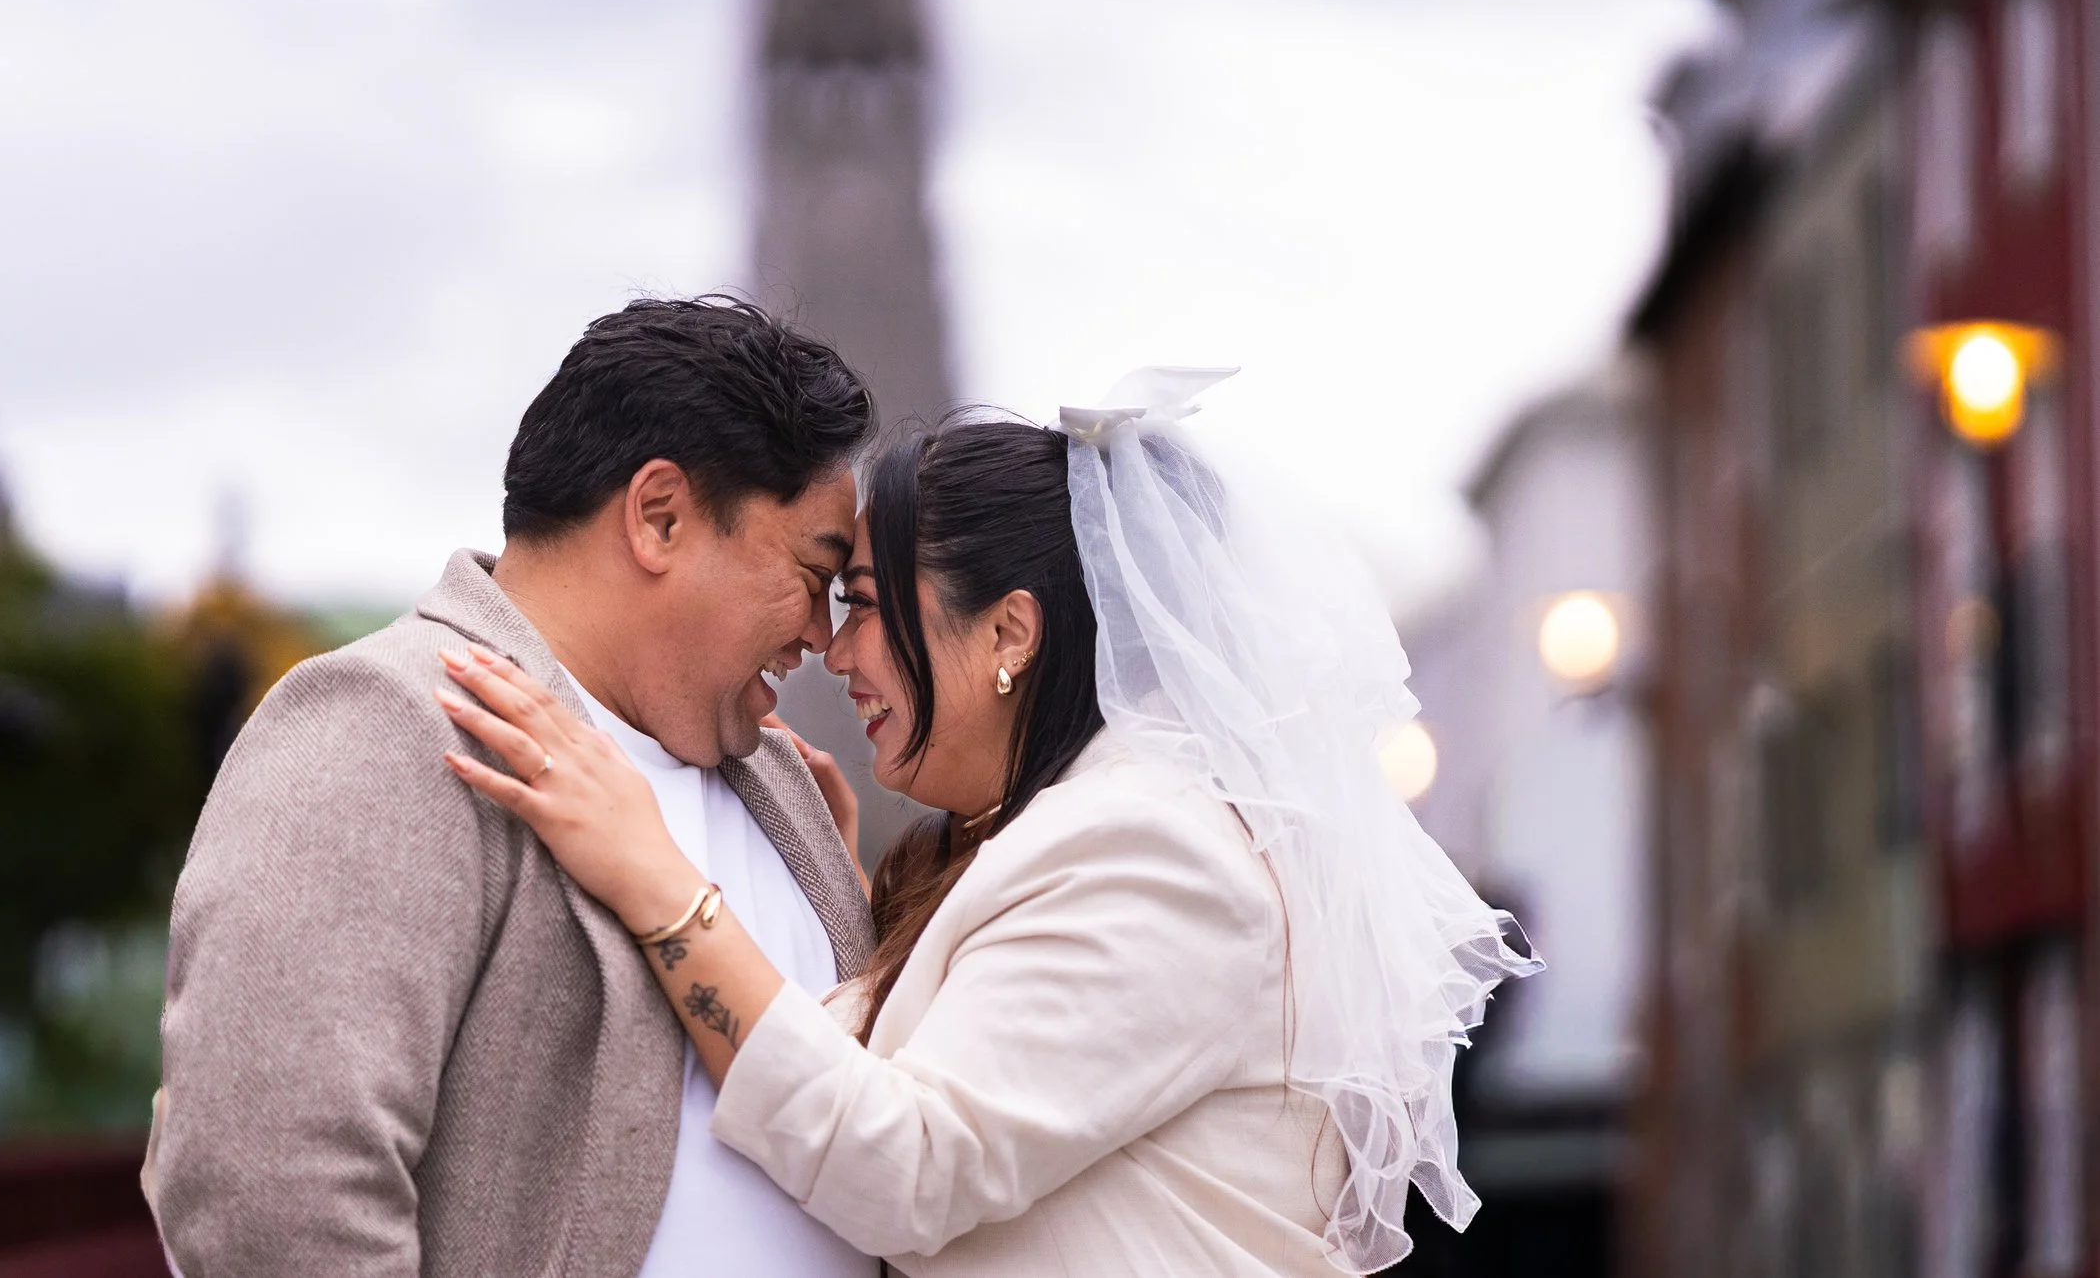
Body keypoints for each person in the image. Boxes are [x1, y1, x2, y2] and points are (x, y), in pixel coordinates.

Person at [442, 371, 1539, 1277]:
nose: (835, 651)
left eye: (863, 601)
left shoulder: (1158, 851)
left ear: (1009, 630)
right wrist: (850, 913)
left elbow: (908, 1165)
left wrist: (653, 874)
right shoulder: (1046, 840)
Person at [145, 297, 880, 1278]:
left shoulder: (782, 779)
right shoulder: (385, 723)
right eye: (812, 571)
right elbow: (269, 1194)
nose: (824, 637)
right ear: (659, 516)